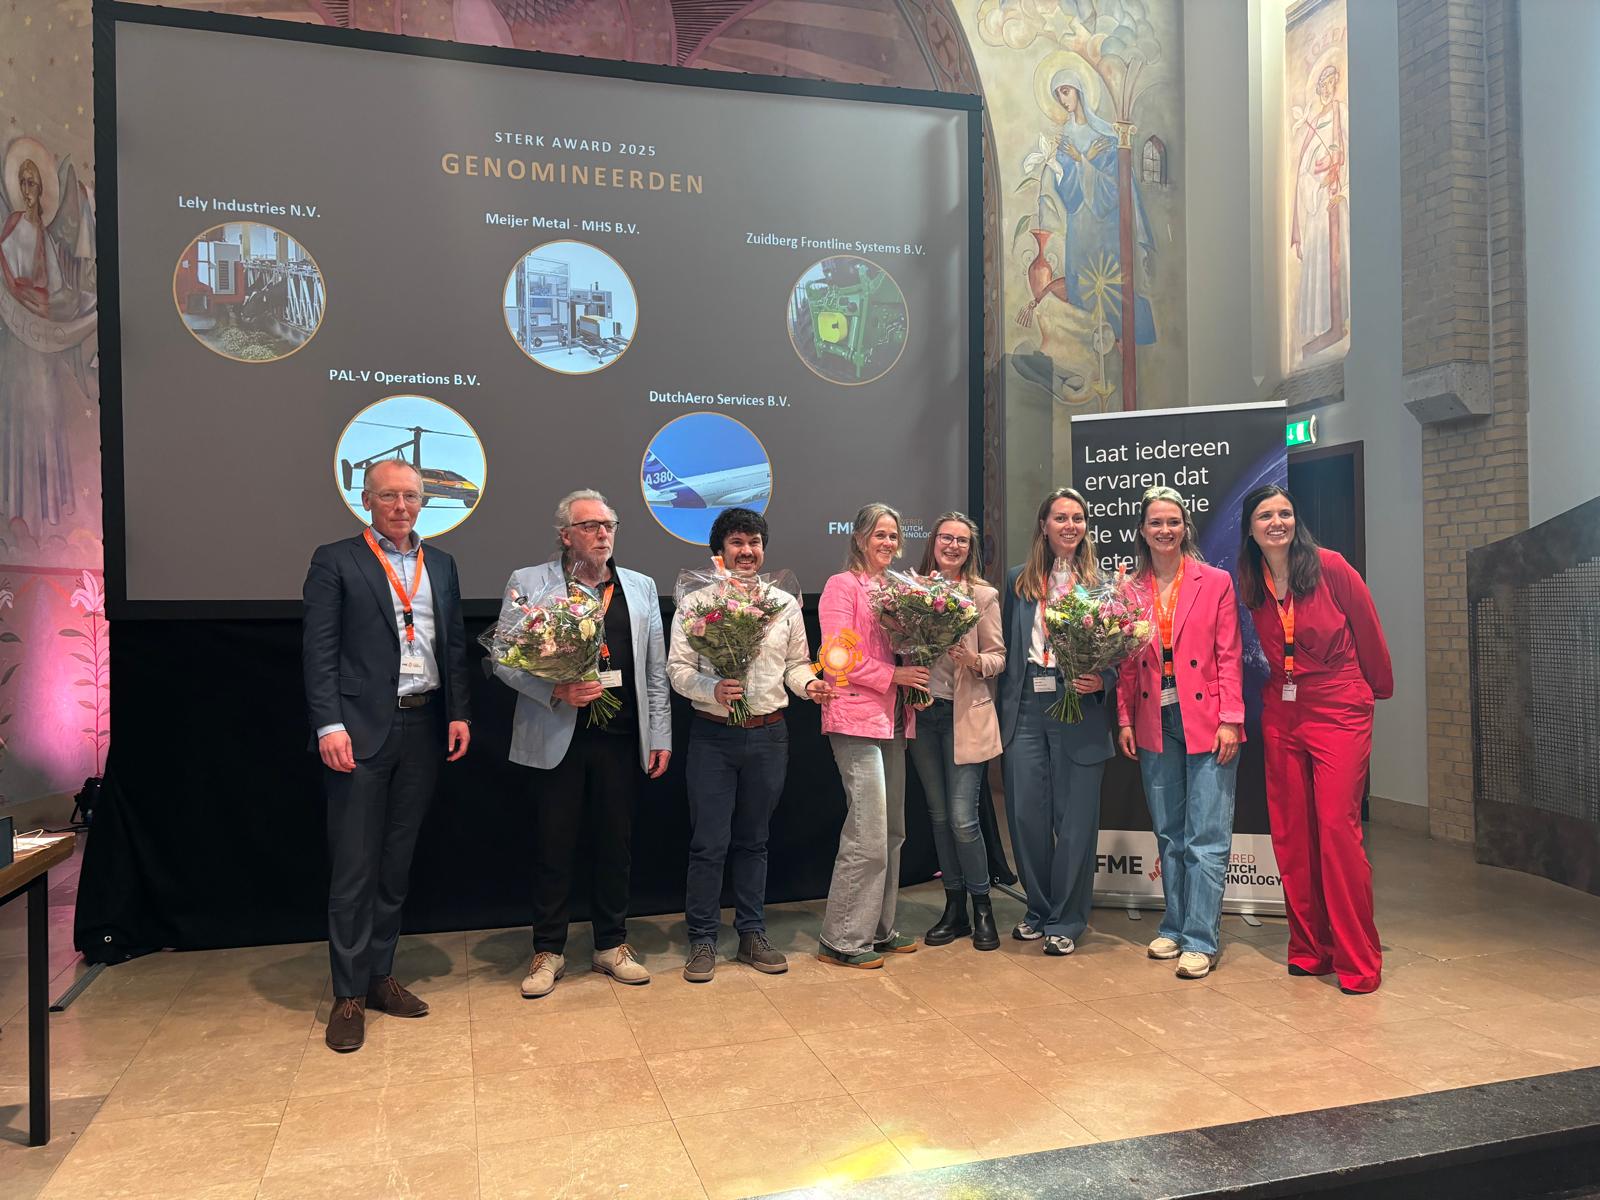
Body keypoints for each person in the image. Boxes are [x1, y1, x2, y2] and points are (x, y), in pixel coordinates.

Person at [302, 459, 472, 1052]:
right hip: (358, 731)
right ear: (367, 501)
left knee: (396, 864)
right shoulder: (335, 560)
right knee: (355, 866)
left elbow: (452, 644)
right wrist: (329, 724)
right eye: (389, 496)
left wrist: (458, 712)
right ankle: (348, 993)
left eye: (411, 497)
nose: (401, 506)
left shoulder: (441, 564)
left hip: (423, 725)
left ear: (423, 503)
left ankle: (379, 977)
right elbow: (318, 651)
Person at [492, 490, 671, 997]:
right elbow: (503, 658)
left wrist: (660, 735)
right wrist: (555, 690)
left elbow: (654, 671)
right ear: (565, 536)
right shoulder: (529, 582)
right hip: (558, 735)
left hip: (621, 737)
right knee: (553, 846)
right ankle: (548, 949)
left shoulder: (639, 586)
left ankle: (611, 944)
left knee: (616, 845)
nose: (602, 534)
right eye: (590, 526)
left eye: (608, 525)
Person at [668, 507, 834, 982]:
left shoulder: (783, 603)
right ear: (719, 552)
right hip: (713, 736)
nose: (747, 551)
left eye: (754, 542)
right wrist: (712, 689)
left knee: (754, 840)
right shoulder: (696, 603)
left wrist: (810, 685)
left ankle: (751, 933)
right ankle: (702, 938)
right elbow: (677, 669)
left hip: (769, 735)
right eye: (737, 543)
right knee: (709, 843)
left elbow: (796, 663)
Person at [1239, 484, 1392, 994]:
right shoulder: (1250, 580)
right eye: (1265, 515)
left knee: (1335, 829)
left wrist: (1374, 689)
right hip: (1281, 710)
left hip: (1338, 704)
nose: (1276, 522)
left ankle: (1358, 960)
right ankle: (1311, 948)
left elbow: (1368, 629)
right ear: (1250, 528)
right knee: (1292, 833)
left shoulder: (1331, 566)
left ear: (1295, 520)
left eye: (1284, 513)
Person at [1115, 486, 1244, 982]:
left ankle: (1200, 939)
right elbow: (1126, 663)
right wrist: (1124, 718)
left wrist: (1231, 718)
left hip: (1208, 720)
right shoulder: (1130, 590)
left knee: (1206, 835)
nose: (1164, 530)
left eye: (1173, 521)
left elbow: (1229, 654)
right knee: (1169, 832)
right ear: (1142, 531)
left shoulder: (1216, 582)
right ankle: (1174, 924)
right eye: (1155, 522)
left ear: (1184, 527)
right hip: (1154, 719)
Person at [997, 488, 1115, 956]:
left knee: (1075, 820)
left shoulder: (1103, 585)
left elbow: (1122, 654)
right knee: (1026, 815)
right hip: (1027, 704)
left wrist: (1102, 678)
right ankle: (1038, 910)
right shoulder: (1018, 581)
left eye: (1078, 518)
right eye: (1060, 517)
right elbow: (1007, 649)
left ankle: (1067, 919)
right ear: (1043, 526)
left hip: (1078, 702)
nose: (1070, 525)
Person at [816, 502, 926, 969]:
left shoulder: (899, 590)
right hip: (855, 716)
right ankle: (842, 938)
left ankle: (879, 928)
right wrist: (895, 676)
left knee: (893, 831)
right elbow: (834, 655)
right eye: (879, 534)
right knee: (867, 833)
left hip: (895, 718)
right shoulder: (842, 586)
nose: (887, 542)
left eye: (893, 535)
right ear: (860, 538)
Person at [907, 512, 1005, 950]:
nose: (952, 546)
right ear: (933, 542)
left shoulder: (982, 595)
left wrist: (972, 659)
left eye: (961, 541)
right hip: (925, 714)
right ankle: (954, 908)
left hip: (965, 716)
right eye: (946, 538)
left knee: (964, 820)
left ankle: (983, 907)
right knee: (940, 817)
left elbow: (998, 657)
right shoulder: (912, 592)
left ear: (970, 550)